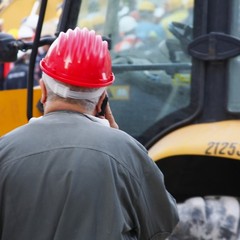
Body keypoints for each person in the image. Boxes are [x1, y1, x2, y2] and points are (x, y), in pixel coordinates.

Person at [0, 27, 179, 240]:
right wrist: (119, 139)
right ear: (102, 100)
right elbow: (162, 226)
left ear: (44, 91)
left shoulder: (5, 150)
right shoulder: (126, 152)